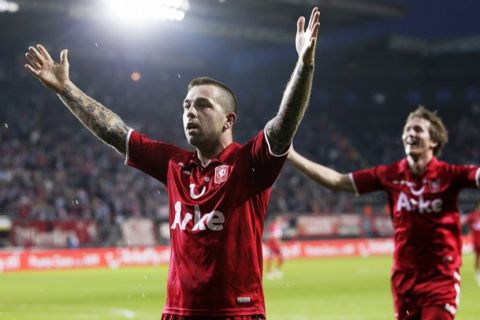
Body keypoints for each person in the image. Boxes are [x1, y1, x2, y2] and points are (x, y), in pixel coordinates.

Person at [24, 7, 320, 319]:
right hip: (177, 313)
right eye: (186, 106)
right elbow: (114, 131)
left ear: (228, 121)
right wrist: (66, 89)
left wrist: (304, 64)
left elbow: (284, 123)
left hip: (236, 313)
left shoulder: (249, 163)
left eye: (203, 106)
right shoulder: (174, 164)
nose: (190, 112)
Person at [287, 106, 480, 320]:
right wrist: (291, 155)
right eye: (407, 130)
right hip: (404, 281)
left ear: (433, 141)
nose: (410, 134)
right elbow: (338, 181)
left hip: (439, 279)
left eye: (417, 130)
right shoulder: (390, 174)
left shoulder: (449, 175)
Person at [265, 215, 285, 279]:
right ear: (276, 220)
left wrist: (279, 242)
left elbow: (278, 236)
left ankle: (277, 270)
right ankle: (269, 272)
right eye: (279, 220)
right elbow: (271, 235)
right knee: (270, 258)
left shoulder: (278, 227)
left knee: (281, 257)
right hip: (272, 244)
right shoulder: (272, 226)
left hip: (276, 244)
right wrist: (277, 241)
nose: (280, 221)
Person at [466, 202, 480, 286]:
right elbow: (468, 223)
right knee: (477, 258)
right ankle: (477, 273)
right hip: (476, 240)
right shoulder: (473, 216)